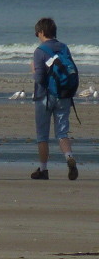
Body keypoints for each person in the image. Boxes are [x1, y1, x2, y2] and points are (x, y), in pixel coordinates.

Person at [30, 17, 78, 181]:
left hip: (44, 98)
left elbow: (40, 78)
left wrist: (33, 71)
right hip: (64, 95)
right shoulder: (64, 47)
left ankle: (43, 170)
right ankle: (69, 157)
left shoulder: (40, 51)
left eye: (38, 33)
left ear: (42, 32)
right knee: (62, 132)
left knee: (42, 135)